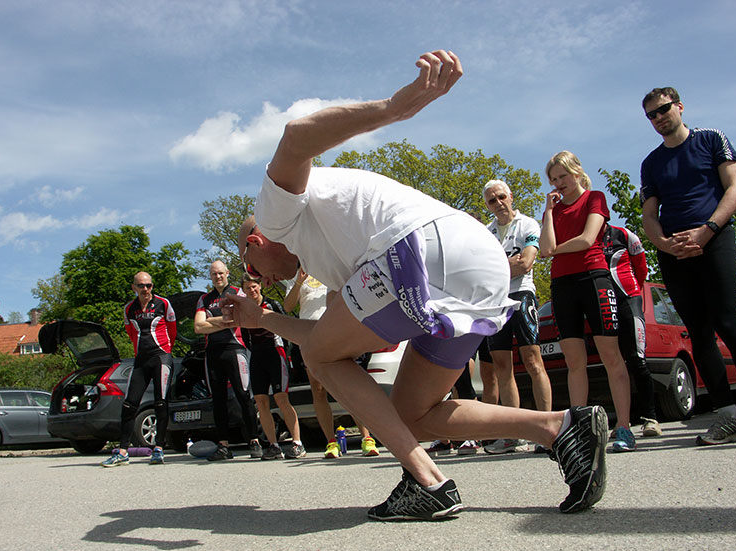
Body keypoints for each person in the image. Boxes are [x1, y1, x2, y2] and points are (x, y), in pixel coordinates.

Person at [223, 50, 608, 520]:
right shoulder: (332, 252)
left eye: (250, 264)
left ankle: (427, 481)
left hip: (419, 249)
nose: (255, 276)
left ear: (256, 241)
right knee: (411, 412)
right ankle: (560, 427)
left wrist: (394, 108)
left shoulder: (275, 216)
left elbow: (295, 137)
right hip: (478, 266)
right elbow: (328, 339)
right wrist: (263, 318)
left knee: (322, 356)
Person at [640, 87, 736, 445]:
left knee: (730, 325)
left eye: (663, 110)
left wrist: (707, 231)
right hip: (675, 255)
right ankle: (727, 417)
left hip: (713, 241)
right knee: (698, 333)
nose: (659, 118)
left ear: (680, 107)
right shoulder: (651, 162)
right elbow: (649, 216)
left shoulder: (711, 139)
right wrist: (665, 244)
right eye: (651, 115)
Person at [538, 151, 635, 452]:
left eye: (562, 177)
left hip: (594, 279)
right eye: (553, 180)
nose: (558, 184)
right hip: (562, 285)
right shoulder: (553, 211)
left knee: (610, 355)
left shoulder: (595, 198)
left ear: (576, 172)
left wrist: (555, 250)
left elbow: (587, 239)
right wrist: (547, 213)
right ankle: (579, 432)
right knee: (573, 361)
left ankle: (624, 428)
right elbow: (544, 249)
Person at [482, 179, 552, 455]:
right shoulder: (485, 233)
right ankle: (513, 434)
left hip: (522, 296)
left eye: (501, 197)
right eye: (491, 200)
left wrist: (497, 268)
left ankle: (545, 428)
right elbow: (481, 273)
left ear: (510, 196)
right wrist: (505, 266)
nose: (498, 203)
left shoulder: (528, 225)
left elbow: (525, 263)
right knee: (502, 367)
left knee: (533, 360)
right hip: (495, 301)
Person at [283, 268, 380, 458]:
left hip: (336, 331)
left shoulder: (327, 264)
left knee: (348, 387)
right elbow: (287, 306)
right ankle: (331, 442)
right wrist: (298, 282)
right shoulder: (296, 274)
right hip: (309, 336)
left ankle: (367, 439)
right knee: (318, 390)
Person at [102, 271, 176, 467]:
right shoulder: (129, 308)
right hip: (141, 360)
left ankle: (159, 448)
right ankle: (122, 451)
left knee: (161, 402)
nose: (146, 290)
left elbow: (172, 329)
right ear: (134, 287)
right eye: (141, 286)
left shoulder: (163, 303)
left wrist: (165, 351)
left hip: (161, 357)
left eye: (149, 286)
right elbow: (131, 333)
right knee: (129, 405)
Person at [193, 261, 261, 460]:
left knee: (243, 395)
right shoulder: (204, 299)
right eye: (214, 274)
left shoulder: (237, 292)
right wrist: (223, 321)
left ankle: (254, 440)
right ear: (210, 276)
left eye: (221, 273)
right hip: (213, 352)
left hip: (235, 348)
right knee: (218, 399)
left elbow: (238, 318)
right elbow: (198, 326)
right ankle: (223, 445)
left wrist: (211, 321)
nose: (218, 277)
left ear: (227, 273)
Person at [601, 224, 661, 437]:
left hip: (628, 297)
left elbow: (641, 267)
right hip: (601, 303)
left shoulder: (623, 234)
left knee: (637, 359)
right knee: (612, 362)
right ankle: (621, 421)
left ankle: (650, 417)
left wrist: (632, 292)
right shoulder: (582, 235)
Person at [241, 275, 306, 459]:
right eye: (247, 288)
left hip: (275, 353)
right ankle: (274, 446)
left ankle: (297, 443)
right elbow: (245, 337)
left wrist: (284, 351)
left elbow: (286, 328)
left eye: (254, 287)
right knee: (261, 402)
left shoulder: (272, 305)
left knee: (281, 399)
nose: (252, 291)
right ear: (244, 291)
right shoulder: (245, 309)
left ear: (260, 286)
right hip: (257, 356)